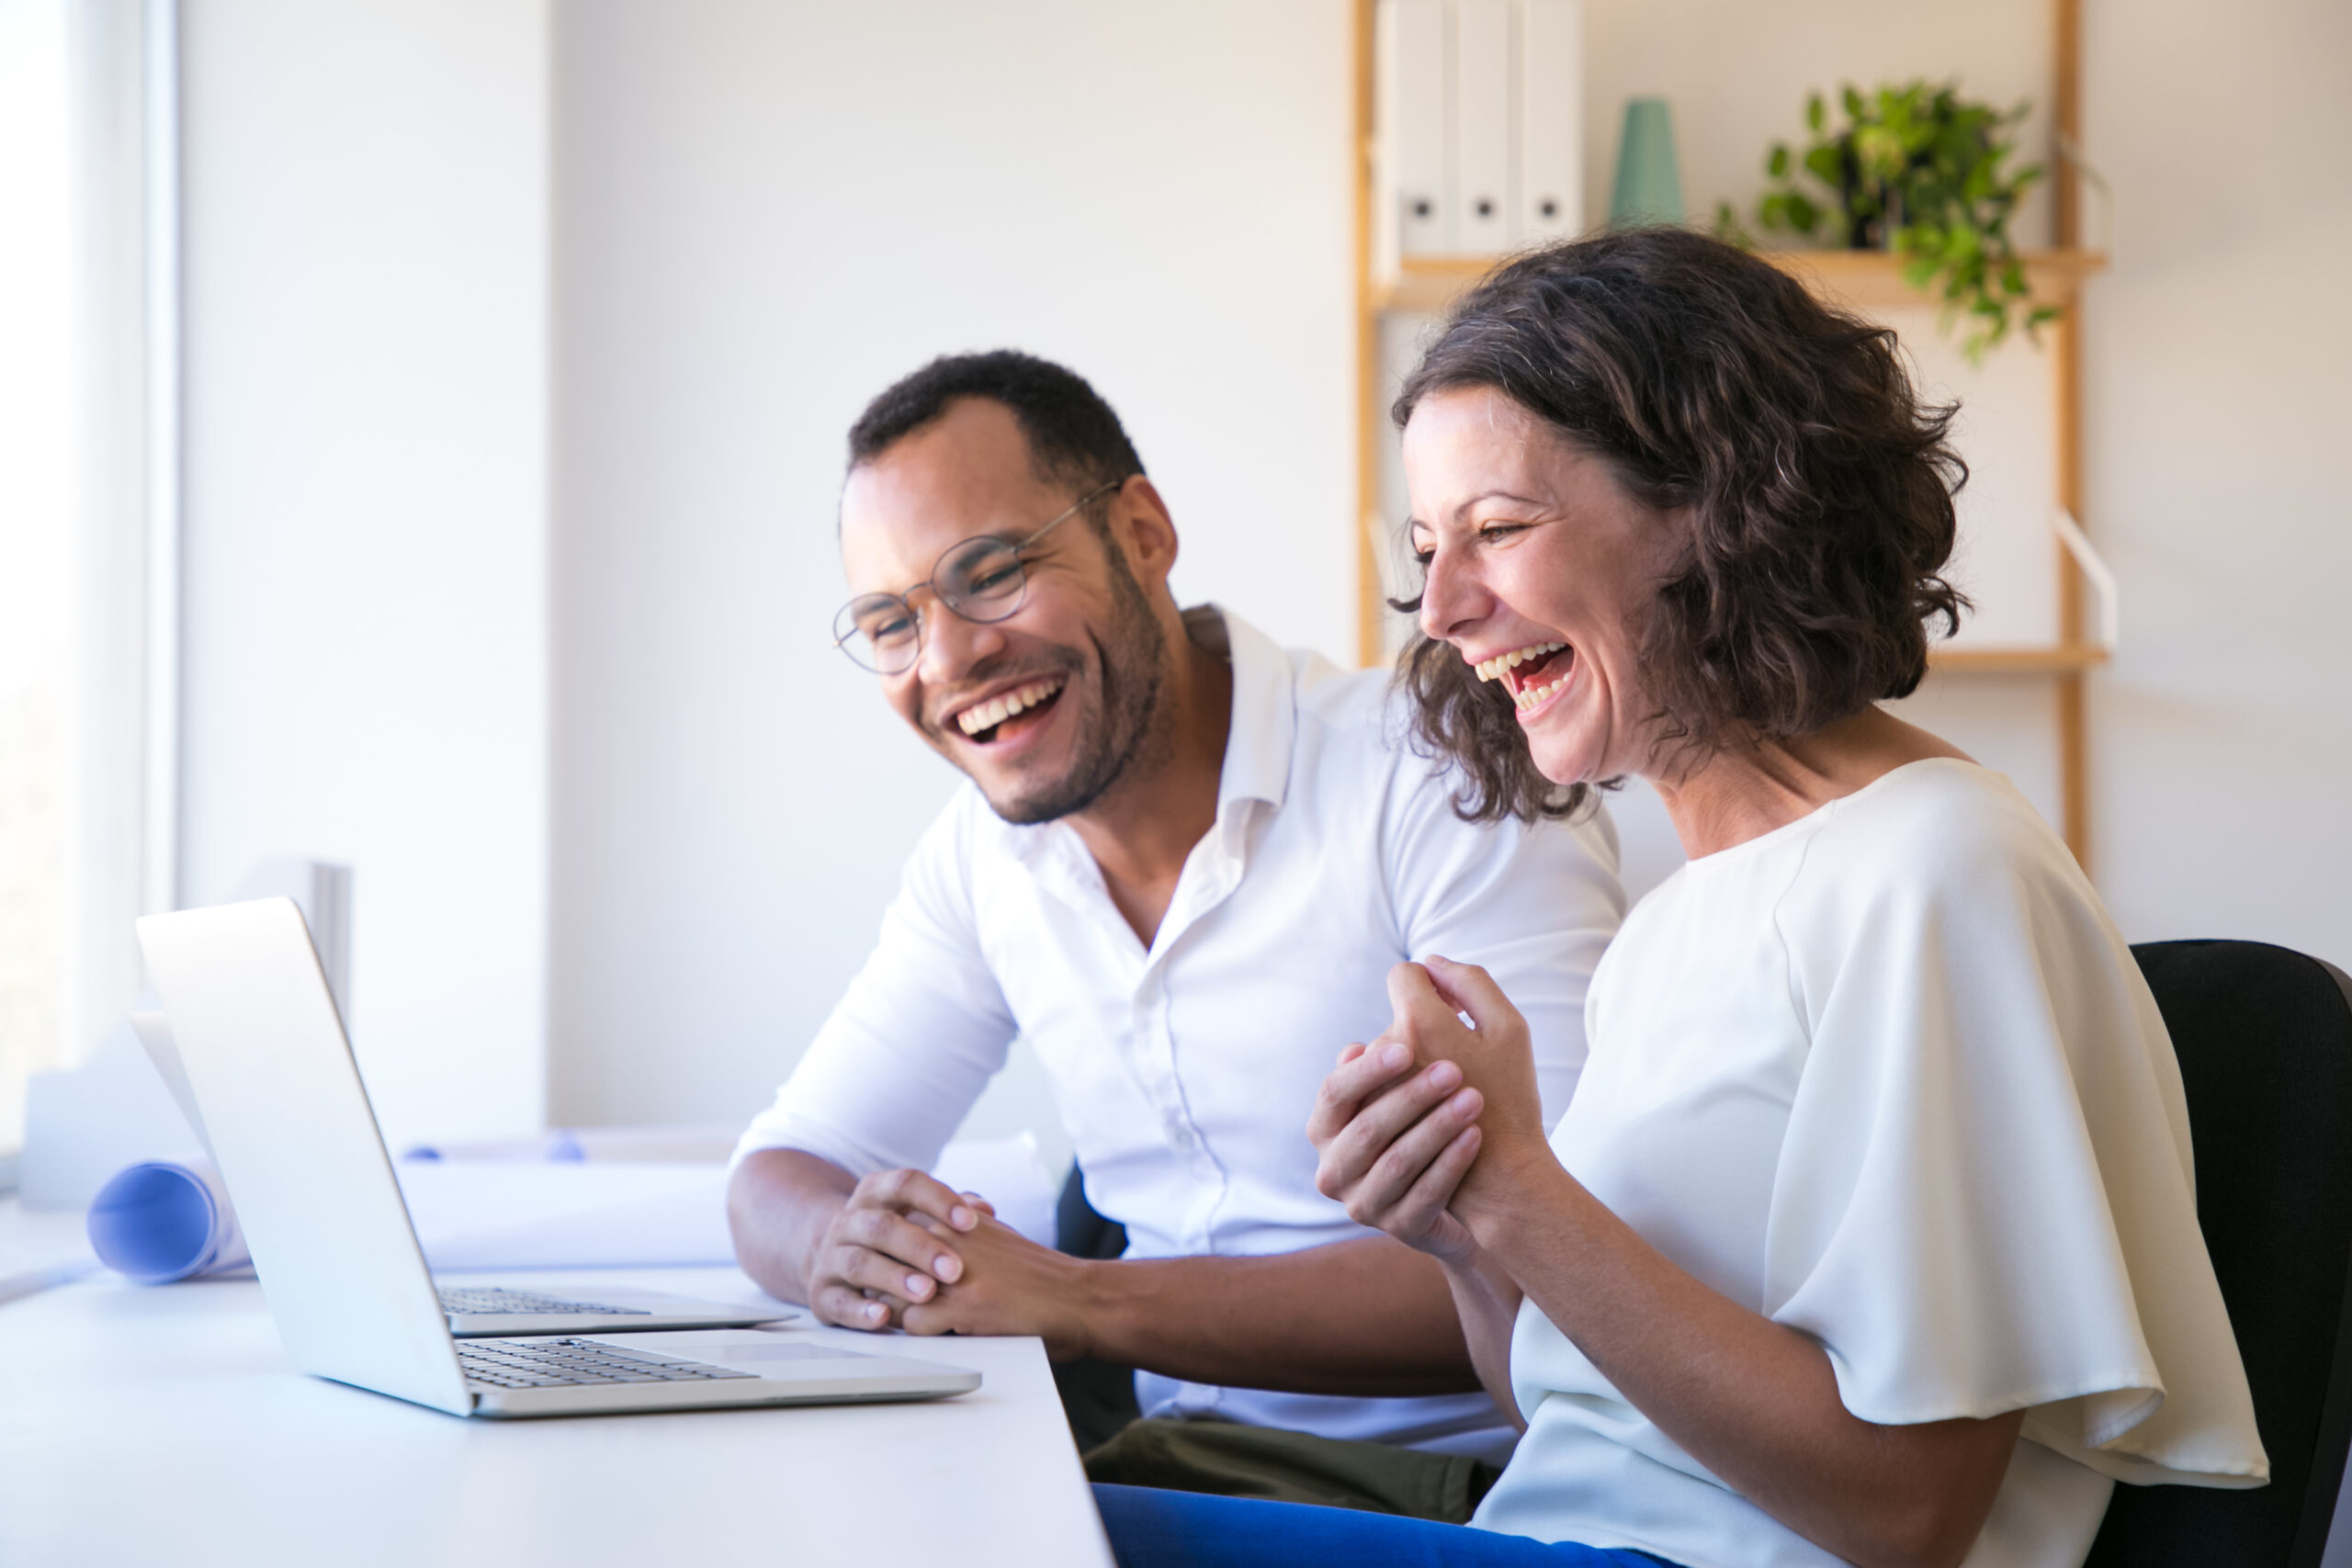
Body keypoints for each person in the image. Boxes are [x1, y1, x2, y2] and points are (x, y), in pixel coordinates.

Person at [1094, 230, 2267, 1568]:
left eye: (1499, 529)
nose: (1447, 608)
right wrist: (1469, 1226)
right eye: (1429, 547)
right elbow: (1566, 1415)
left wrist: (1528, 1196)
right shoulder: (1670, 925)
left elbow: (1906, 1510)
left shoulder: (1934, 866)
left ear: (1717, 504)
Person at [726, 350, 1626, 1500]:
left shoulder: (1431, 768)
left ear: (1142, 531)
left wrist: (1081, 1302)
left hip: (1453, 1485)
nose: (947, 658)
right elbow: (779, 1174)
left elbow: (1573, 1255)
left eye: (991, 572)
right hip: (1163, 1467)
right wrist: (849, 1253)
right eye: (890, 623)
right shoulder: (981, 855)